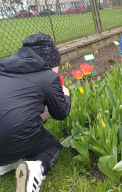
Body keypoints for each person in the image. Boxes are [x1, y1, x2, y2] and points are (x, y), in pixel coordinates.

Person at [0, 33, 71, 191]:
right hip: (16, 137)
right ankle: (35, 169)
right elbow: (61, 113)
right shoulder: (48, 77)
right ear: (50, 62)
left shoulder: (3, 68)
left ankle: (7, 162)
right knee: (53, 146)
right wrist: (66, 95)